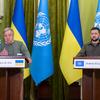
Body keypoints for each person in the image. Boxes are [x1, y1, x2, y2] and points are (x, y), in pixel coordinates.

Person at [0, 27, 31, 100]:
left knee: (16, 94)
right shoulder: (1, 46)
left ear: (13, 35)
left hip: (17, 74)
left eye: (9, 35)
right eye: (5, 35)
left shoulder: (20, 44)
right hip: (2, 74)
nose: (7, 37)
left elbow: (27, 55)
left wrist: (28, 58)